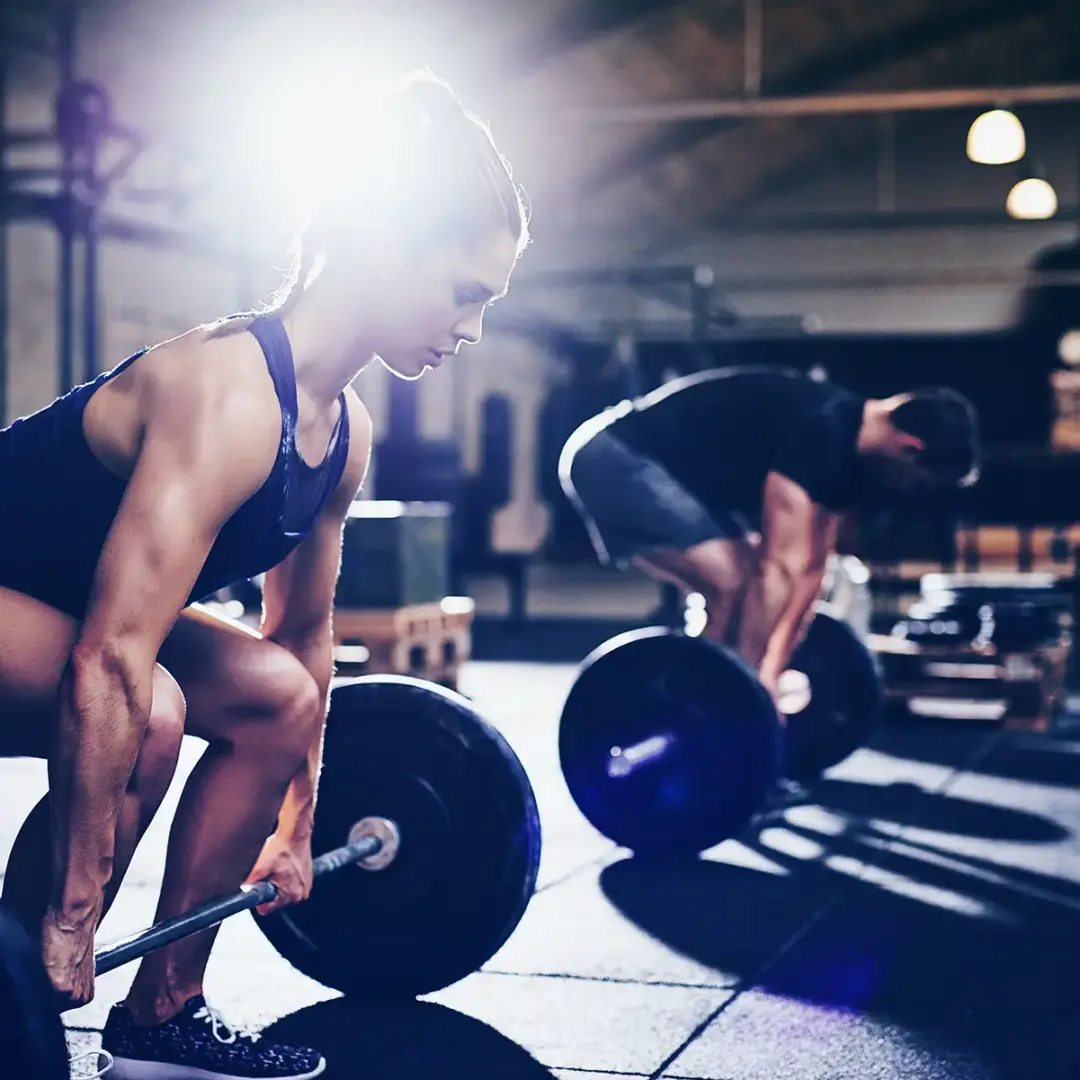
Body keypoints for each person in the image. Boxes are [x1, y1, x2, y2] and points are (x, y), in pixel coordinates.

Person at [0, 70, 529, 1080]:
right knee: (147, 708)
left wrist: (298, 824)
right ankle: (20, 975)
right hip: (44, 608)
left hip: (65, 611)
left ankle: (163, 1010)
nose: (472, 329)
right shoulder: (227, 393)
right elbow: (112, 656)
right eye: (466, 293)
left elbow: (302, 643)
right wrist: (75, 912)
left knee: (277, 696)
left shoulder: (342, 432)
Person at [559, 364, 980, 706]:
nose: (912, 492)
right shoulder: (819, 428)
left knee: (741, 587)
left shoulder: (850, 461)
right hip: (613, 455)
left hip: (674, 479)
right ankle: (694, 705)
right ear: (910, 449)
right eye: (922, 483)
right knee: (735, 582)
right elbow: (778, 568)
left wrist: (771, 670)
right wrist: (750, 684)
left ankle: (703, 699)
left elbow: (811, 572)